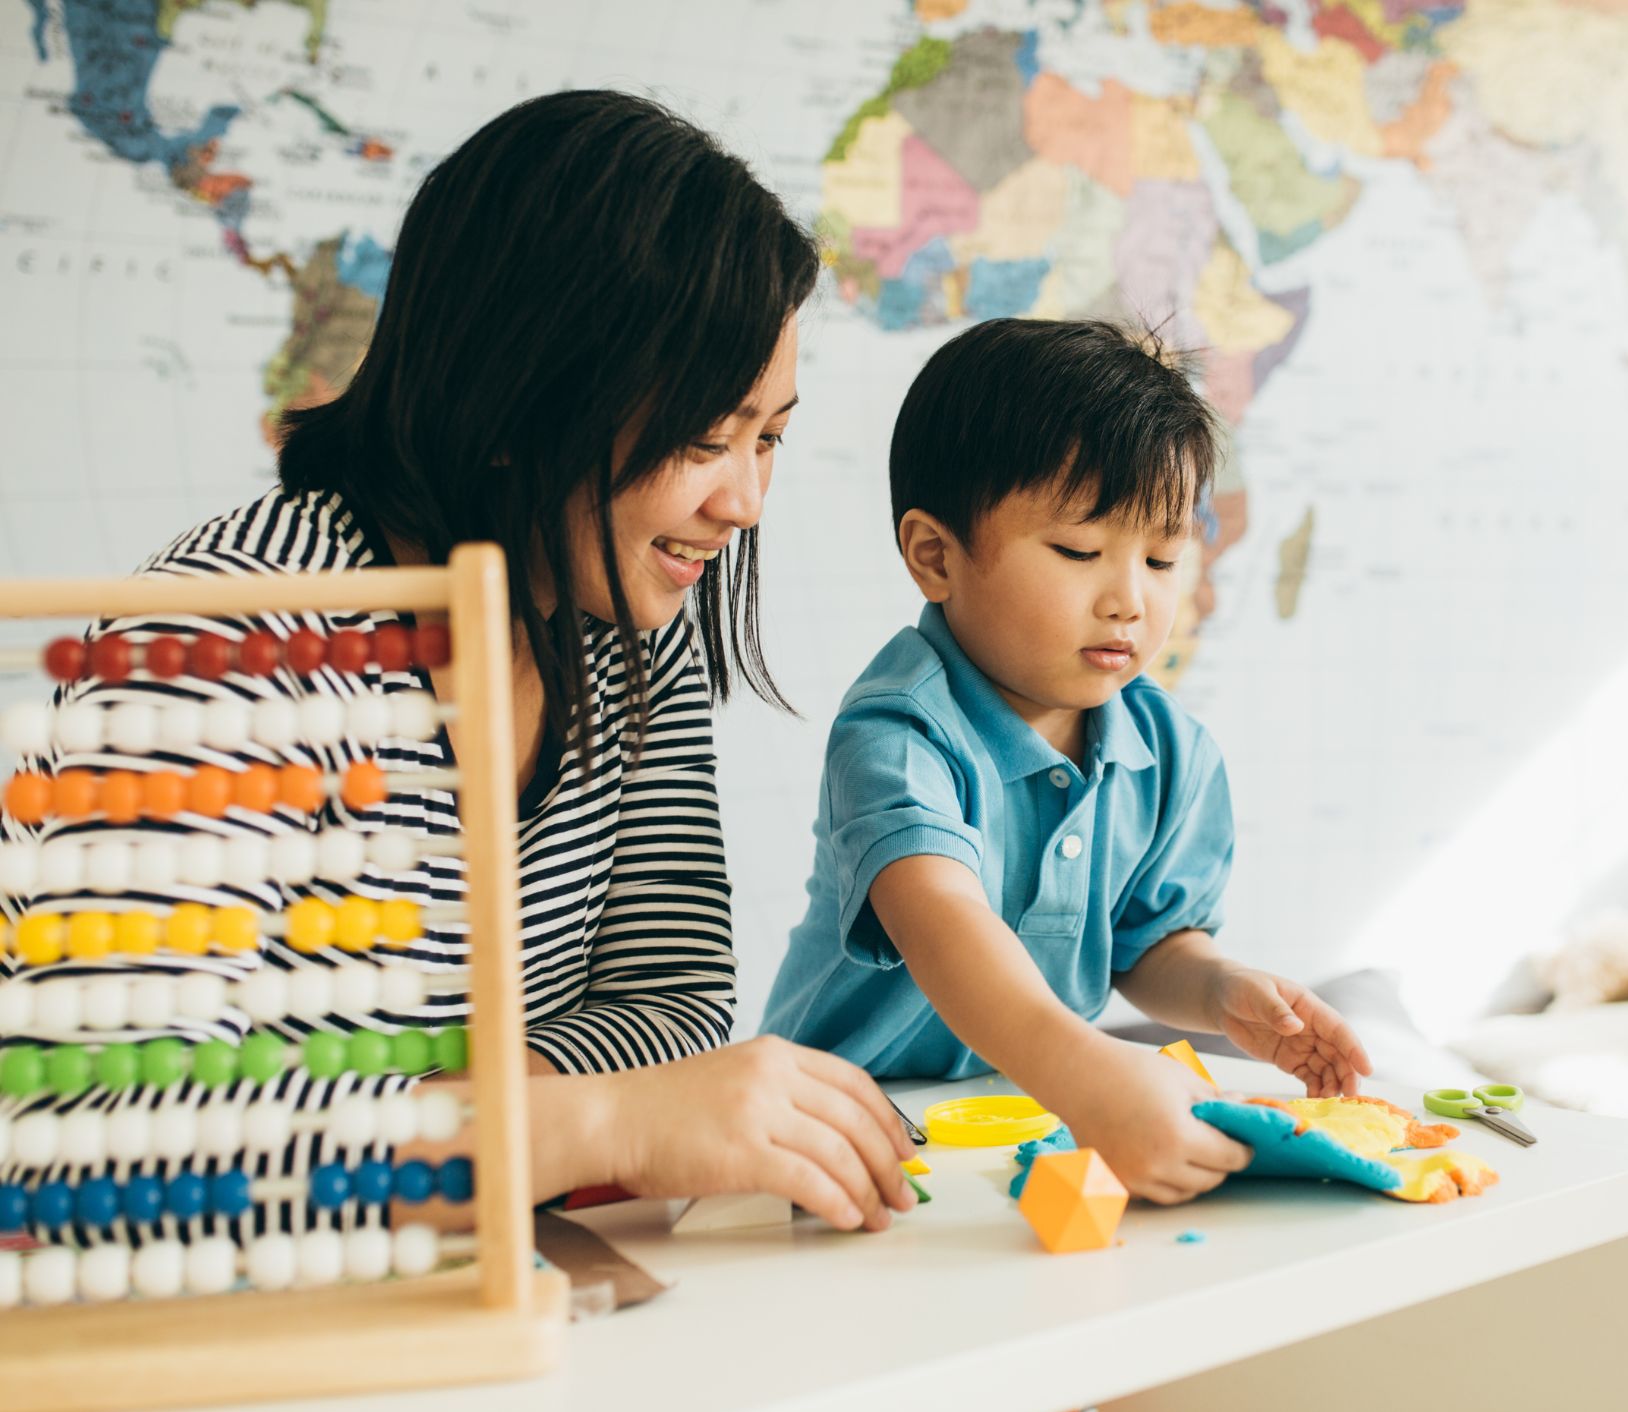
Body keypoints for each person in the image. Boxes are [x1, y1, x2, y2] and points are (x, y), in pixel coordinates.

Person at [0, 91, 915, 1245]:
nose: (742, 502)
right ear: (521, 400)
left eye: (767, 436)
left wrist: (473, 1123)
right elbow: (88, 1135)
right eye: (702, 437)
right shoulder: (225, 646)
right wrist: (582, 1126)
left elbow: (675, 1008)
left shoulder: (632, 625)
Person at [760, 319, 1373, 1205]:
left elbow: (1146, 943)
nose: (1130, 598)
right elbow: (946, 928)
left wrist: (1221, 991)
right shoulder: (896, 732)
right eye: (1081, 552)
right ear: (936, 555)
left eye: (1162, 557)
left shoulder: (1167, 751)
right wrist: (1091, 1075)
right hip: (845, 1133)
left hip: (1026, 1121)